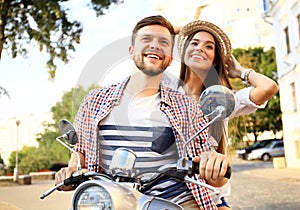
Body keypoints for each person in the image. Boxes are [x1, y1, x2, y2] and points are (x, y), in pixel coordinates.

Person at [55, 15, 230, 209]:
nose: (155, 45)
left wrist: (216, 166)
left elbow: (207, 168)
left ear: (170, 58)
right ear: (131, 51)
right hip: (113, 202)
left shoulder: (186, 106)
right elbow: (80, 153)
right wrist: (71, 170)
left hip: (174, 202)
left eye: (163, 42)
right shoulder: (94, 100)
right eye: (146, 39)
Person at [175, 20, 279, 209]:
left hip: (212, 198)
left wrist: (240, 72)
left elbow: (269, 87)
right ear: (184, 53)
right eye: (194, 43)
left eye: (209, 46)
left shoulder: (222, 99)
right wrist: (180, 30)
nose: (200, 49)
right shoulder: (164, 95)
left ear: (214, 60)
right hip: (169, 196)